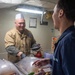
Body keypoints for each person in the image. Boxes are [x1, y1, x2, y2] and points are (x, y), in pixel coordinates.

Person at [33, 0, 75, 75]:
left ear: (60, 13)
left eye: (53, 12)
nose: (52, 16)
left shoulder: (69, 41)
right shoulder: (65, 38)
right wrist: (50, 61)